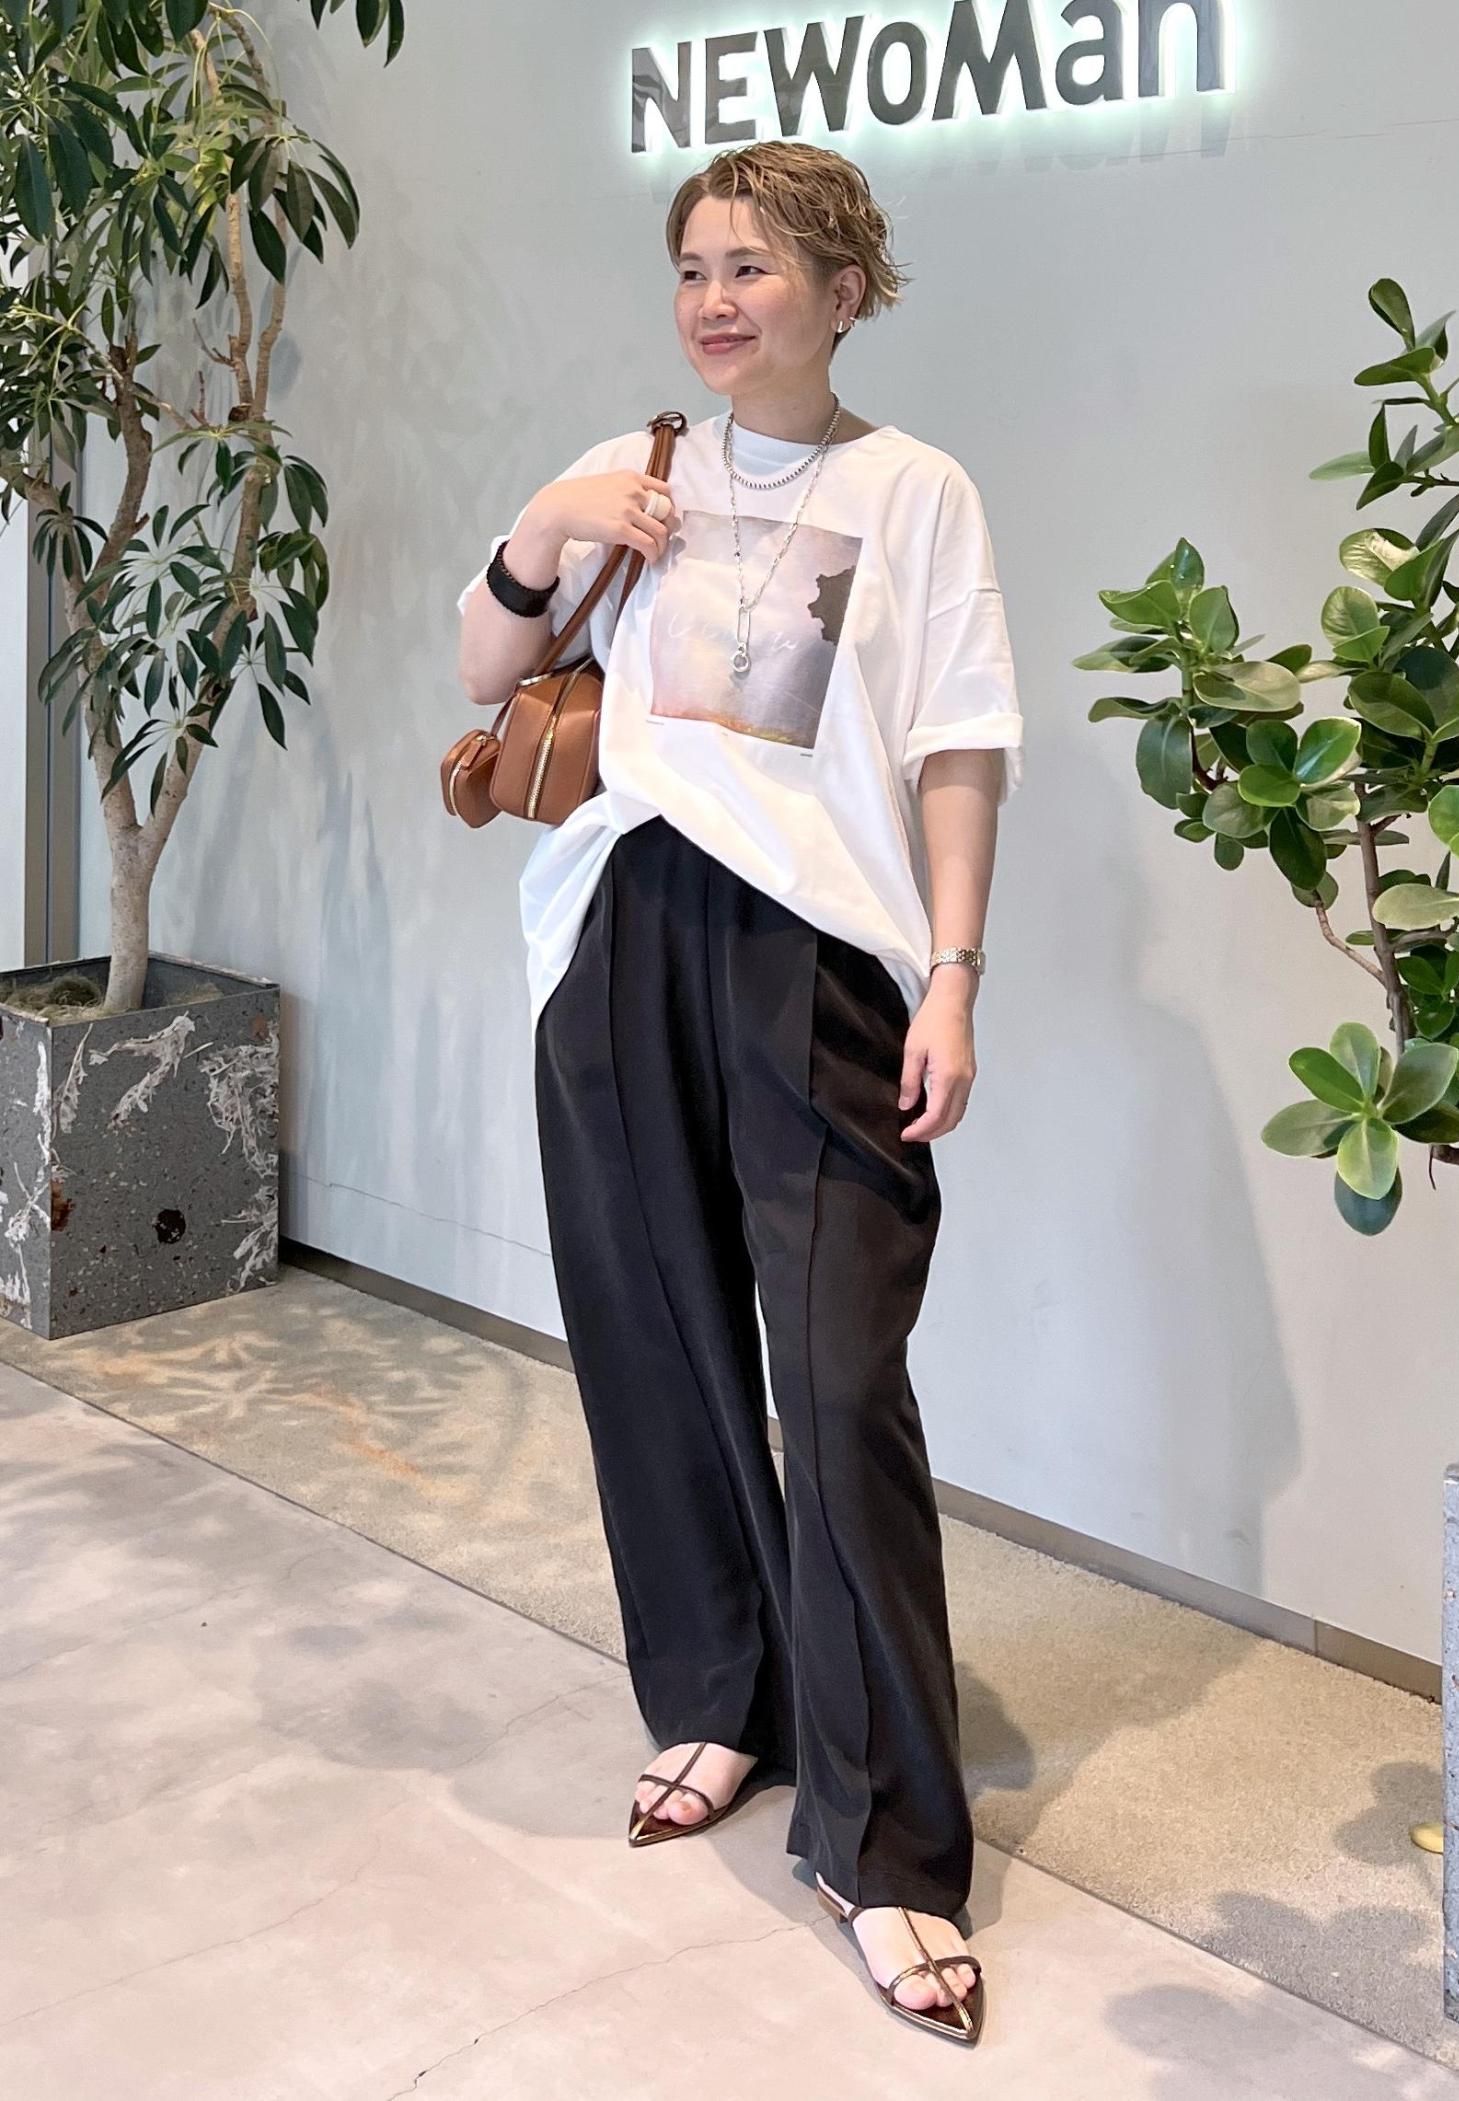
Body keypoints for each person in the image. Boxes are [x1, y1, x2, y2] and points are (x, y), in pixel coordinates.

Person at [455, 139, 1023, 2046]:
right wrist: (550, 521)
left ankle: (888, 1846)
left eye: (755, 266)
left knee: (842, 1380)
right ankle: (720, 1693)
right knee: (653, 1337)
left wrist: (954, 975)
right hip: (620, 928)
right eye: (694, 266)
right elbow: (483, 658)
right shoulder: (635, 472)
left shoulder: (914, 490)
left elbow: (959, 746)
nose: (715, 299)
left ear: (845, 291)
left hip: (823, 958)